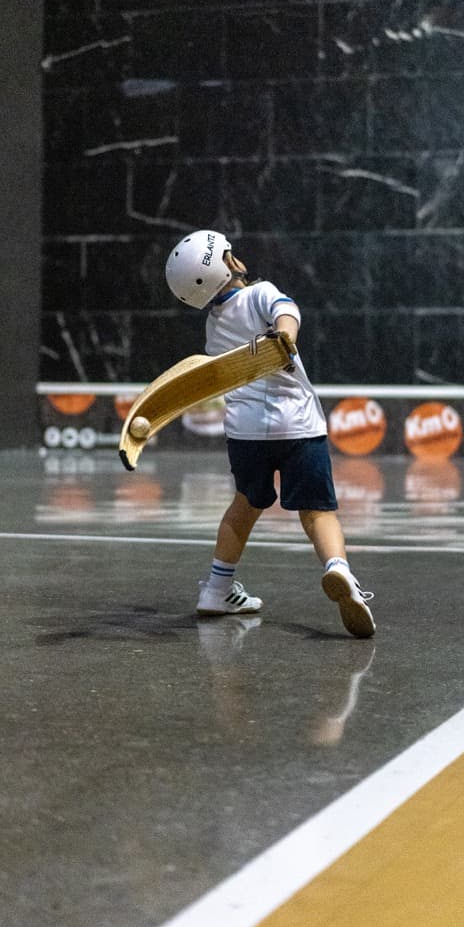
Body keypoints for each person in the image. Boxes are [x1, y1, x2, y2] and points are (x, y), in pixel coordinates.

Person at [165, 229, 376, 639]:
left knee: (244, 506)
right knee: (317, 512)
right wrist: (286, 334)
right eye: (229, 254)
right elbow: (287, 310)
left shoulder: (213, 327)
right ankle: (339, 571)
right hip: (297, 425)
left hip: (246, 436)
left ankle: (217, 590)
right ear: (227, 265)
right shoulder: (260, 293)